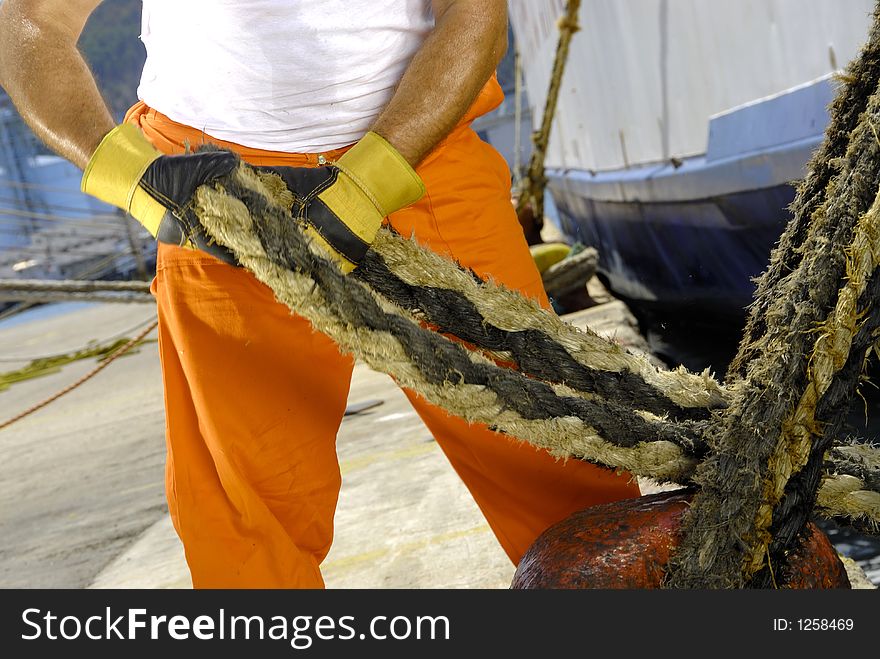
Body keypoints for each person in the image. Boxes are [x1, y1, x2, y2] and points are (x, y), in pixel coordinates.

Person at [0, 0, 640, 588]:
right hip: (212, 190)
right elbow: (28, 20)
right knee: (246, 517)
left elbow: (472, 13)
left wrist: (369, 182)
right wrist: (133, 178)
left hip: (421, 153)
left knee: (555, 455)